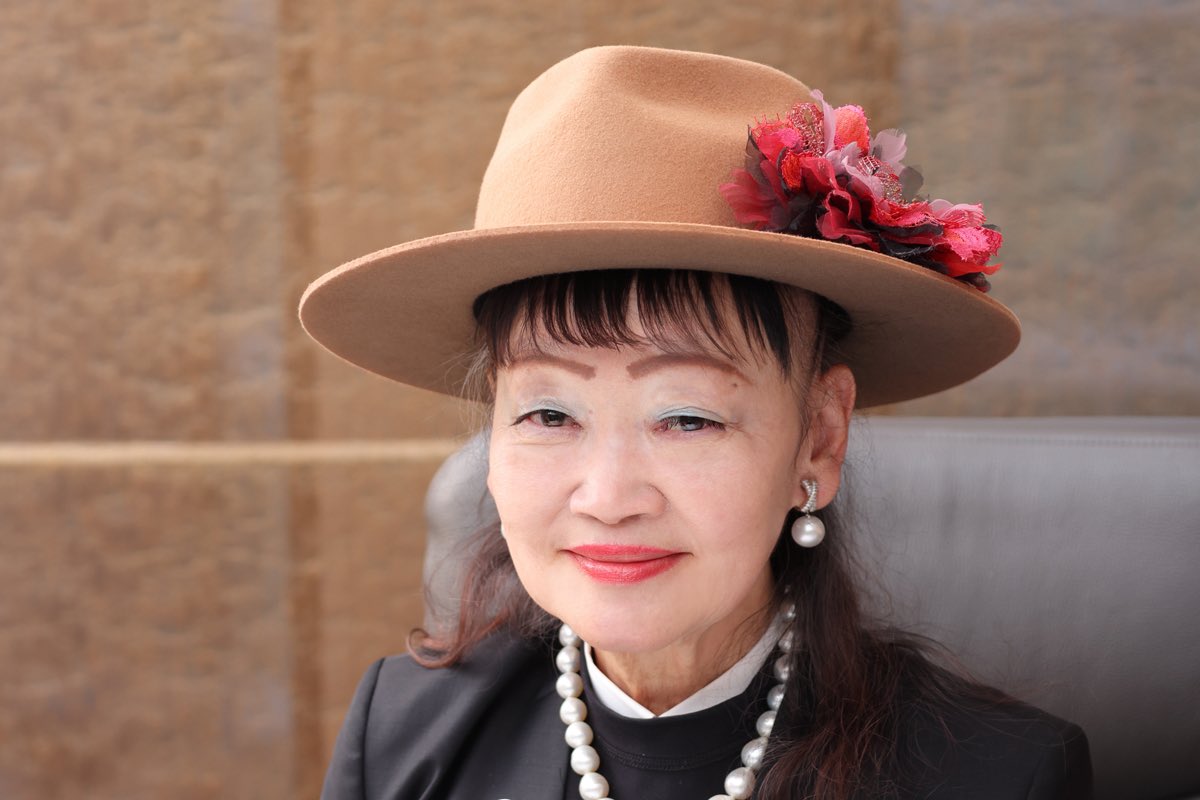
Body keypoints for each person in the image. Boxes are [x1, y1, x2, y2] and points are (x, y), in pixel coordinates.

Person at [300, 46, 1092, 800]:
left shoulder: (998, 777)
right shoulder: (402, 738)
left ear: (819, 437)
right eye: (548, 413)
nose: (609, 498)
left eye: (686, 419)